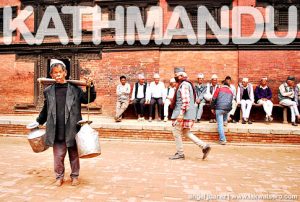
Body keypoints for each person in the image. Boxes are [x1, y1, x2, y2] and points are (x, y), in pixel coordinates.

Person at [32, 59, 96, 186]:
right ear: (51, 75)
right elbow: (46, 109)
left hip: (72, 128)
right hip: (56, 129)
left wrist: (91, 87)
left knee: (73, 155)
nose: (58, 75)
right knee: (58, 156)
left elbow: (88, 99)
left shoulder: (75, 89)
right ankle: (59, 177)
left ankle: (75, 176)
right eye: (55, 73)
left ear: (65, 72)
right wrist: (38, 121)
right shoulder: (48, 91)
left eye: (60, 72)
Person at [169, 67, 211, 160]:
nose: (175, 77)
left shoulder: (183, 85)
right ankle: (204, 146)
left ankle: (180, 154)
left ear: (181, 75)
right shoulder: (186, 84)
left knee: (176, 131)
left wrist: (180, 114)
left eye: (176, 76)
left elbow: (186, 101)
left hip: (183, 113)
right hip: (188, 113)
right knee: (186, 132)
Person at [211, 80, 233, 145]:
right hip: (227, 109)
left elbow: (213, 99)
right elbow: (230, 102)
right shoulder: (231, 91)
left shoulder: (218, 89)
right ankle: (225, 121)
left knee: (220, 124)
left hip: (219, 108)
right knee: (225, 111)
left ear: (223, 85)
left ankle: (222, 140)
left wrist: (212, 108)